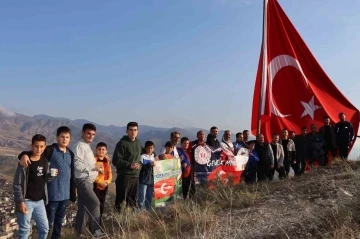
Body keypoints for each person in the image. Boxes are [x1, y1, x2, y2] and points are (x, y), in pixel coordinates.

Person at [17, 126, 76, 239]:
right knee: (48, 222)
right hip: (52, 193)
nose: (64, 139)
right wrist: (23, 155)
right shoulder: (50, 150)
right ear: (57, 138)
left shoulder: (70, 154)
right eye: (62, 137)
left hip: (65, 194)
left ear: (70, 139)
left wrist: (73, 190)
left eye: (67, 137)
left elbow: (72, 173)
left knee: (59, 220)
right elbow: (35, 153)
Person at [13, 134, 54, 239]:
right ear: (31, 146)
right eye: (36, 146)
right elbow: (17, 183)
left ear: (45, 147)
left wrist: (51, 176)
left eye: (41, 146)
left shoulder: (45, 162)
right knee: (24, 231)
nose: (39, 149)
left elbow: (45, 180)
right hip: (26, 201)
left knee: (45, 229)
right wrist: (20, 201)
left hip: (40, 201)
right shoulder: (25, 162)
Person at [73, 123, 105, 238]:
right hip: (83, 181)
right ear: (83, 133)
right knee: (95, 203)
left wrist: (97, 169)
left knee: (83, 207)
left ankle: (78, 232)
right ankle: (96, 231)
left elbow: (88, 164)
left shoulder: (87, 146)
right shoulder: (79, 146)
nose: (91, 136)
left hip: (88, 182)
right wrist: (93, 168)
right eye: (88, 133)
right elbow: (76, 164)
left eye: (93, 134)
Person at [113, 122, 143, 212]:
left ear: (138, 131)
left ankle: (130, 222)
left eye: (135, 130)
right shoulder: (122, 143)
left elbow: (143, 154)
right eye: (130, 130)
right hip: (124, 177)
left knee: (132, 202)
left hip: (136, 176)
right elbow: (116, 160)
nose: (133, 132)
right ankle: (118, 221)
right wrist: (130, 165)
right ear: (127, 131)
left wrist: (140, 165)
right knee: (121, 202)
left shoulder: (138, 143)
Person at [93, 142, 112, 224]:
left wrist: (107, 182)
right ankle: (93, 225)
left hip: (105, 186)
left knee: (102, 204)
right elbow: (92, 174)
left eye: (103, 149)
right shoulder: (93, 160)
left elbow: (110, 173)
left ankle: (99, 224)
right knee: (95, 205)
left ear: (106, 151)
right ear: (96, 150)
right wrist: (100, 182)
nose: (101, 151)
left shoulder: (106, 161)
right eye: (99, 149)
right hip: (96, 185)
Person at [138, 141, 156, 210]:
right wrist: (149, 165)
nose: (150, 149)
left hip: (151, 181)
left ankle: (147, 212)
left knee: (149, 198)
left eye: (151, 148)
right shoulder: (142, 157)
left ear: (153, 148)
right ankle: (139, 212)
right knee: (141, 197)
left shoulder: (154, 157)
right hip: (143, 180)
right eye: (148, 148)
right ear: (145, 148)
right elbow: (140, 168)